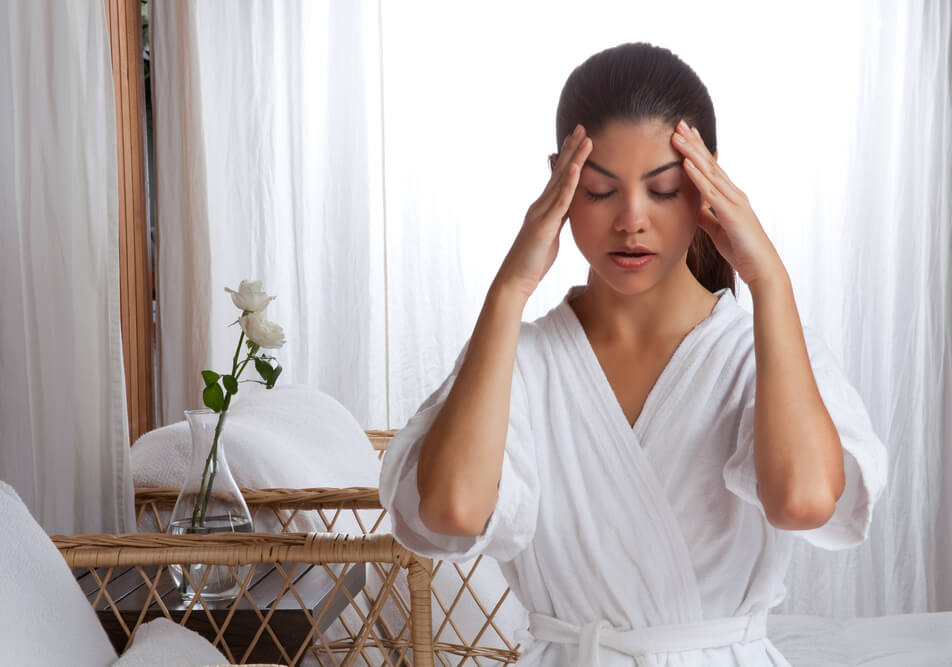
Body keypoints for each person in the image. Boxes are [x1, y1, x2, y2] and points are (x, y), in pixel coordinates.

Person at [378, 42, 888, 666]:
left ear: (708, 186)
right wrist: (509, 288)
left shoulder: (762, 350)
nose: (631, 220)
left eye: (664, 189)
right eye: (598, 191)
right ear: (560, 187)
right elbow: (454, 511)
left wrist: (770, 281)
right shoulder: (522, 357)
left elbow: (804, 501)